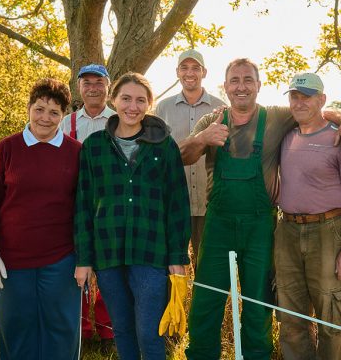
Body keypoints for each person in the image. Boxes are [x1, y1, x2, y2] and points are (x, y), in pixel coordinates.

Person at [179, 58, 341, 360]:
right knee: (207, 298)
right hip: (218, 223)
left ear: (259, 86)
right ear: (225, 87)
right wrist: (202, 139)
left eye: (248, 80)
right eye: (234, 80)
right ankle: (201, 355)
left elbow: (314, 110)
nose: (241, 86)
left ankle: (257, 355)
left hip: (260, 225)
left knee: (258, 301)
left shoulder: (276, 117)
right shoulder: (211, 121)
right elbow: (182, 156)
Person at [74, 72, 191, 360]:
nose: (132, 106)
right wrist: (84, 259)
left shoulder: (163, 146)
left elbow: (177, 203)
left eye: (141, 100)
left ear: (149, 104)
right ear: (114, 100)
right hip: (108, 252)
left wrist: (177, 257)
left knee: (149, 332)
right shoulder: (94, 147)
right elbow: (83, 206)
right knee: (122, 329)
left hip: (150, 253)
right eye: (126, 98)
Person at [0, 78, 82, 360]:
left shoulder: (76, 153)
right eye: (40, 109)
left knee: (61, 332)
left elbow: (85, 208)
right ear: (29, 108)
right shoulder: (5, 150)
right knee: (17, 330)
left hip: (61, 260)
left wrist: (86, 258)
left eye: (54, 112)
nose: (45, 118)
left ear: (64, 115)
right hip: (11, 261)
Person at [275, 73, 341, 360]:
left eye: (307, 97)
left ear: (321, 99)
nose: (299, 102)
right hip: (287, 231)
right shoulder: (285, 134)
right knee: (290, 317)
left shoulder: (340, 138)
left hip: (328, 231)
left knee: (330, 317)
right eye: (294, 96)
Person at [59, 64, 115, 346]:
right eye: (87, 82)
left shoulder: (120, 119)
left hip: (110, 207)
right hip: (75, 206)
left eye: (98, 82)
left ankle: (107, 331)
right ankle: (83, 330)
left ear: (108, 86)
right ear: (78, 87)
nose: (93, 87)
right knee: (78, 266)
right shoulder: (65, 123)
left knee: (109, 269)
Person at [154, 49, 226, 268]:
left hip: (209, 202)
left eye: (195, 68)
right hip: (175, 200)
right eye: (184, 68)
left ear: (204, 72)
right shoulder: (163, 108)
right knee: (172, 266)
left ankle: (202, 303)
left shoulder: (220, 106)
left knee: (208, 266)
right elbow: (157, 154)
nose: (190, 73)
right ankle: (176, 303)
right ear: (177, 72)